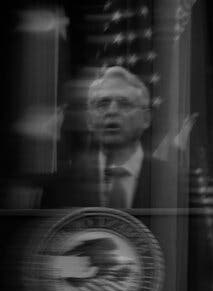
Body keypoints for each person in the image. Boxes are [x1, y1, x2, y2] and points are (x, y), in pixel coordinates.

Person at [43, 66, 175, 208]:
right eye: (102, 104)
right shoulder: (61, 184)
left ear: (146, 118)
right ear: (89, 119)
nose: (112, 111)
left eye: (124, 104)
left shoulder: (174, 180)